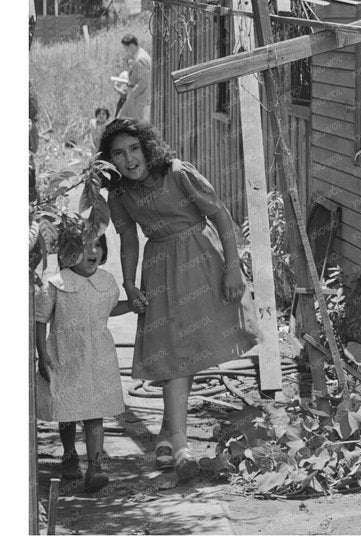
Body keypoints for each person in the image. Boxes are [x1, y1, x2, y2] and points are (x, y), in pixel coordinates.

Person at [99, 118, 258, 481]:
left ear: (147, 147)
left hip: (201, 261)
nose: (128, 159)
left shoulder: (177, 173)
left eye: (134, 149)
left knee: (185, 351)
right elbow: (127, 240)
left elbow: (220, 215)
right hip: (159, 269)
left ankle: (174, 440)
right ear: (109, 161)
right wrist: (129, 284)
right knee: (173, 352)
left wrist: (233, 269)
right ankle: (177, 442)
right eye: (118, 154)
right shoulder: (120, 194)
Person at [34, 235, 140, 494]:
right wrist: (41, 353)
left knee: (95, 412)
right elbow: (40, 319)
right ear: (68, 252)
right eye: (84, 247)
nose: (93, 251)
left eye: (97, 245)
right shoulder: (57, 284)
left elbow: (109, 308)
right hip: (66, 356)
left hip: (98, 357)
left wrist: (131, 306)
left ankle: (95, 466)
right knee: (68, 411)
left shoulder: (106, 281)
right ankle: (70, 454)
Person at [116, 35, 152, 122]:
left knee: (135, 126)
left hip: (138, 100)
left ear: (131, 46)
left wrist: (132, 96)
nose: (126, 51)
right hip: (136, 99)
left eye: (126, 49)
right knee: (120, 123)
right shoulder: (140, 56)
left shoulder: (141, 59)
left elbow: (143, 83)